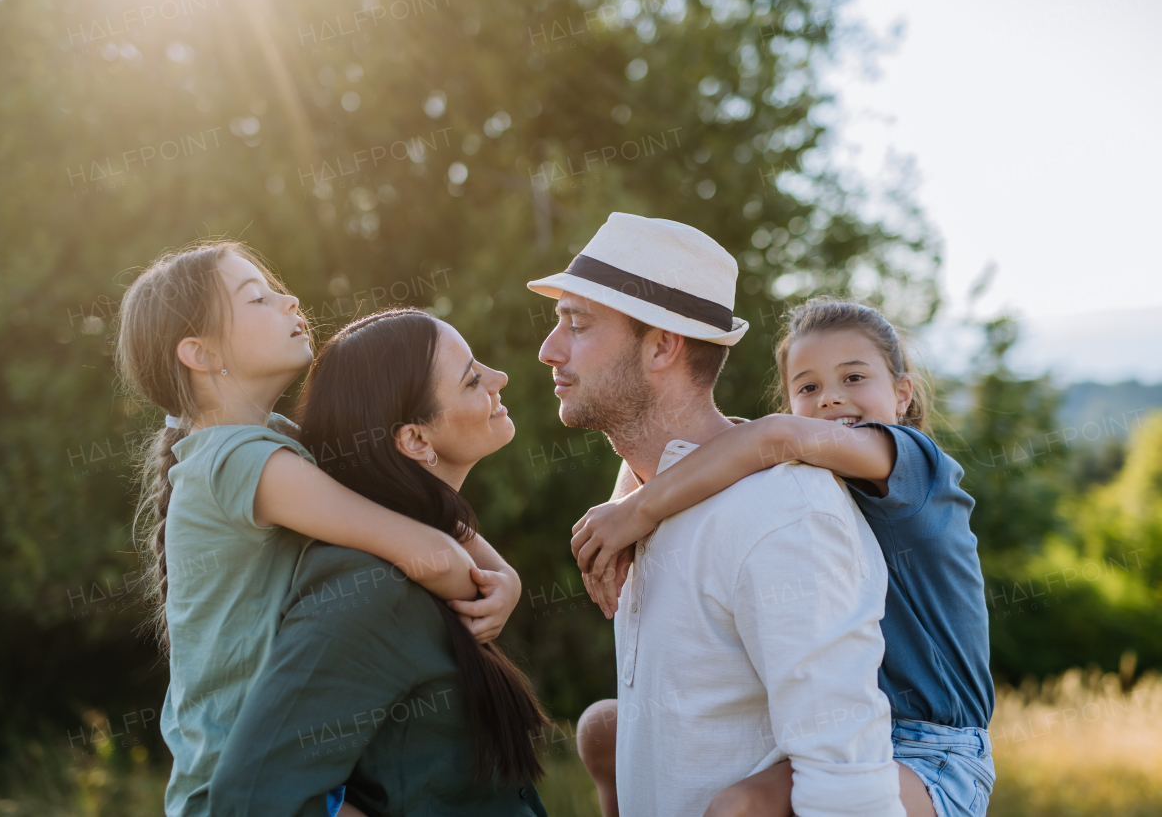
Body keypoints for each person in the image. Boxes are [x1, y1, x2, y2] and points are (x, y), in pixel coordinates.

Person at [115, 244, 522, 817]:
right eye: (258, 298)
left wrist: (505, 575)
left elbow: (428, 512)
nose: (290, 301)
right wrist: (483, 584)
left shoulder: (274, 444)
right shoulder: (237, 461)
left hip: (295, 770)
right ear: (200, 353)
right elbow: (425, 549)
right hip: (240, 789)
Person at [529, 213, 905, 817]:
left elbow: (847, 788)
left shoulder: (782, 516)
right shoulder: (638, 500)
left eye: (577, 324)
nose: (549, 350)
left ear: (661, 346)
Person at [569, 297, 996, 817]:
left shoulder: (915, 461)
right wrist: (623, 502)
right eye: (808, 387)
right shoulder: (809, 472)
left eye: (854, 378)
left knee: (740, 807)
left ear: (903, 394)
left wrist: (636, 511)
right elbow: (719, 445)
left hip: (934, 752)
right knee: (603, 731)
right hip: (866, 719)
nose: (831, 400)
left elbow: (768, 434)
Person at [209, 309, 550, 816]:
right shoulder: (367, 585)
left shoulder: (429, 546)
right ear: (416, 440)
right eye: (473, 379)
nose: (499, 379)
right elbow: (251, 799)